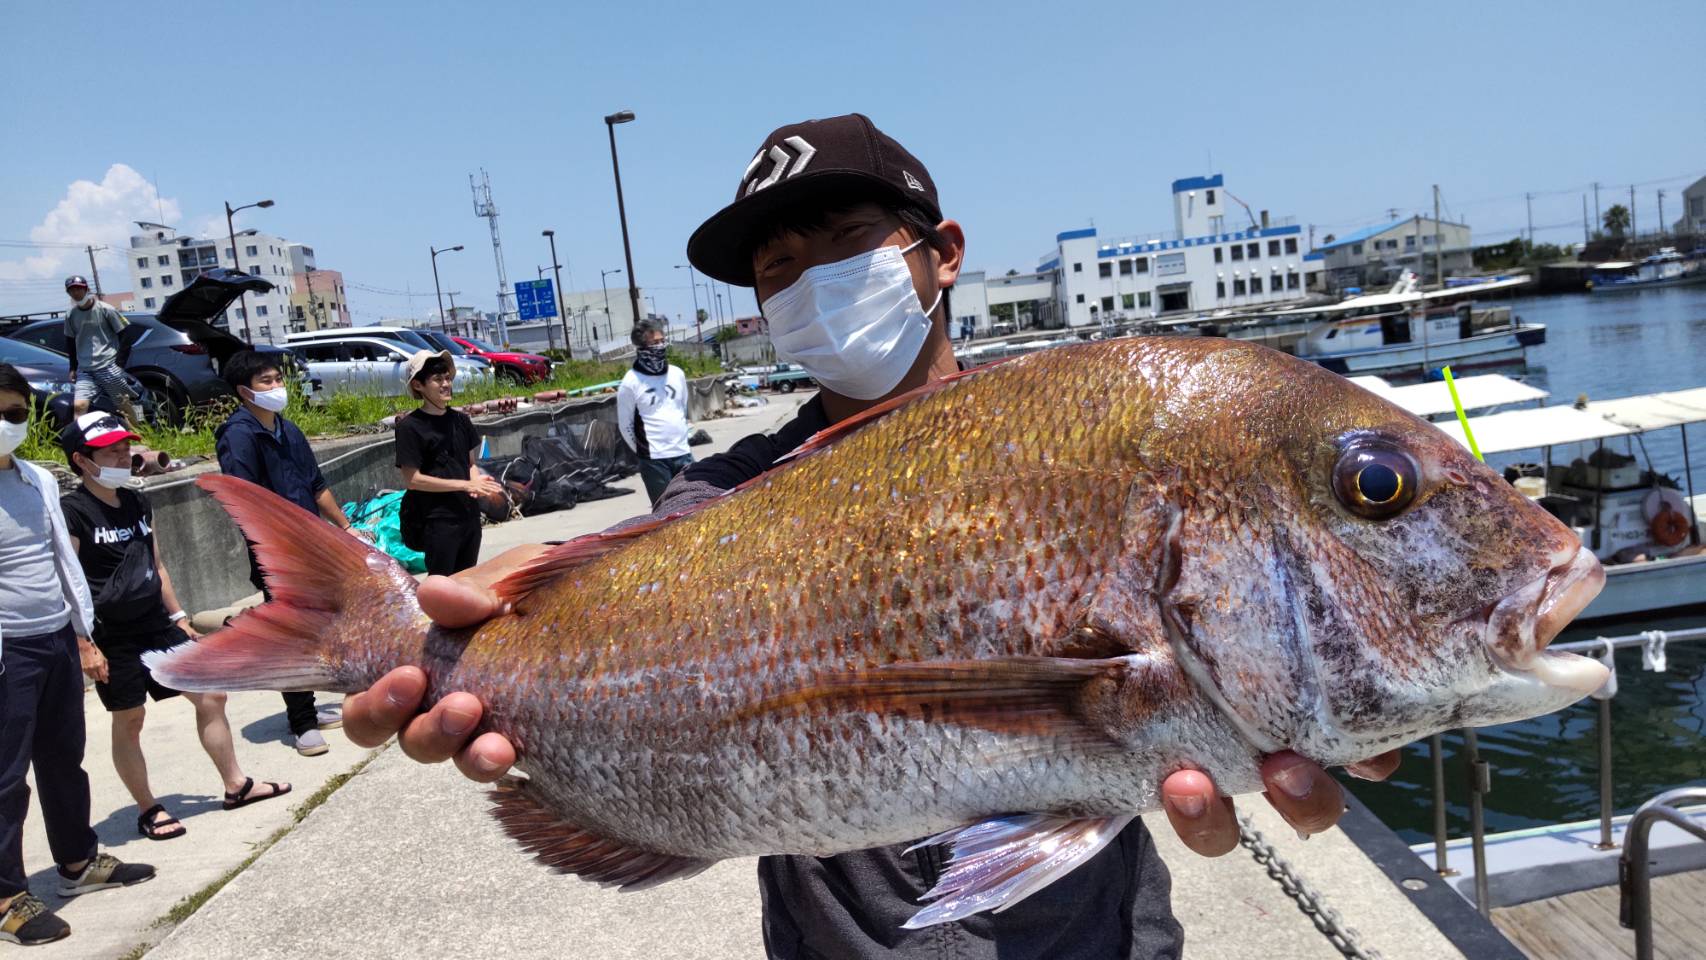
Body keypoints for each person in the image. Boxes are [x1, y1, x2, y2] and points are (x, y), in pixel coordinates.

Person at [340, 115, 1401, 958]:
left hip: (1093, 943)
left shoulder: (1085, 440)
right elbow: (624, 625)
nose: (809, 284)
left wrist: (1328, 701)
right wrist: (485, 648)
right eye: (778, 268)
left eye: (846, 242)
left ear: (941, 254)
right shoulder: (729, 492)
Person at [61, 410, 294, 842]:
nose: (122, 456)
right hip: (111, 633)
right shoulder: (72, 512)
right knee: (130, 719)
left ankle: (236, 785)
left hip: (157, 624)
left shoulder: (136, 501)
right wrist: (82, 643)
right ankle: (148, 808)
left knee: (211, 694)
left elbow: (158, 565)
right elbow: (66, 581)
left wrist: (180, 618)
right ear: (82, 459)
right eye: (110, 451)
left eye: (125, 447)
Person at [0, 364, 155, 947]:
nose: (6, 423)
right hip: (6, 650)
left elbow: (63, 564)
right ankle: (6, 896)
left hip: (57, 640)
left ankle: (76, 862)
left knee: (65, 758)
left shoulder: (36, 480)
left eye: (15, 412)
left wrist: (83, 636)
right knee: (5, 777)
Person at [214, 350, 356, 757]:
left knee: (320, 629)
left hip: (313, 546)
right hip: (278, 553)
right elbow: (246, 500)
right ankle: (302, 723)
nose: (278, 387)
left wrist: (345, 529)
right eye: (267, 381)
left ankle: (311, 704)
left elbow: (316, 485)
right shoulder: (238, 435)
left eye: (279, 378)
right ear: (244, 391)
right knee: (292, 634)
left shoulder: (287, 429)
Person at [394, 350, 500, 576]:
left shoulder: (461, 420)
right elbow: (413, 480)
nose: (445, 384)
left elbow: (469, 463)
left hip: (468, 516)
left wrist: (475, 481)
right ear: (419, 386)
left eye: (448, 378)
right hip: (437, 520)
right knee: (442, 586)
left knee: (467, 581)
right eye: (437, 379)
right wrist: (465, 485)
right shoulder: (409, 427)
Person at [616, 319, 694, 504]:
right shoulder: (630, 382)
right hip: (654, 460)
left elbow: (682, 407)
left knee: (694, 503)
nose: (660, 347)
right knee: (665, 509)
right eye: (654, 343)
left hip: (683, 452)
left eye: (662, 341)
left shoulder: (677, 374)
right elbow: (625, 424)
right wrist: (643, 451)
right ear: (642, 347)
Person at [60, 276, 137, 424]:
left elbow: (126, 334)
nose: (76, 293)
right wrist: (73, 367)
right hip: (85, 368)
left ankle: (139, 435)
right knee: (79, 405)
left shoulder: (105, 309)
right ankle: (82, 442)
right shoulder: (71, 314)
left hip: (107, 365)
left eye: (79, 289)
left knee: (122, 405)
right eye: (72, 290)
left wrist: (119, 363)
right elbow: (70, 341)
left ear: (87, 289)